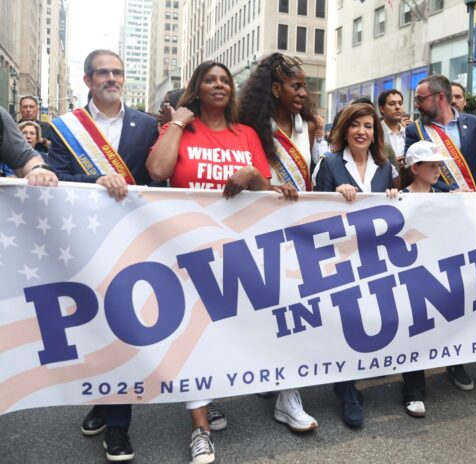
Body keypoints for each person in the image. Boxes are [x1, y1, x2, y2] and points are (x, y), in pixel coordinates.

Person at [147, 60, 274, 464]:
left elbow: (267, 191)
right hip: (186, 247)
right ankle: (199, 428)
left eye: (225, 81)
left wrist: (251, 173)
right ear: (197, 88)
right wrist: (178, 123)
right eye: (210, 80)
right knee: (192, 333)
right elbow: (158, 171)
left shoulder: (246, 134)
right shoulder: (181, 128)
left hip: (236, 248)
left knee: (222, 331)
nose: (219, 85)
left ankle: (206, 394)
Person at [48, 49, 160, 462]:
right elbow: (57, 177)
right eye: (103, 73)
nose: (112, 78)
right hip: (85, 241)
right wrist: (95, 179)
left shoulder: (145, 124)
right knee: (95, 326)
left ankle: (117, 426)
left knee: (123, 325)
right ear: (88, 80)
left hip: (132, 240)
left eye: (117, 72)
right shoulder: (66, 127)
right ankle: (103, 397)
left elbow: (156, 179)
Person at [235, 52, 319, 433]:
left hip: (301, 229)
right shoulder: (253, 127)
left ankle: (289, 396)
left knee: (296, 310)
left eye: (304, 86)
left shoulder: (308, 126)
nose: (302, 92)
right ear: (274, 89)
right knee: (270, 308)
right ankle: (271, 371)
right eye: (295, 86)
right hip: (262, 227)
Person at [405, 73, 476, 392]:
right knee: (427, 289)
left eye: (421, 99)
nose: (417, 104)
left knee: (461, 289)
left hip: (469, 220)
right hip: (434, 219)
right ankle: (416, 362)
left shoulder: (475, 126)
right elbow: (416, 172)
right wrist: (451, 194)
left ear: (440, 98)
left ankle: (455, 359)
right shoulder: (416, 130)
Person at [314, 102, 398, 428]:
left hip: (375, 258)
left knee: (370, 318)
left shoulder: (385, 166)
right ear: (344, 129)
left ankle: (349, 380)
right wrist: (334, 195)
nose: (361, 132)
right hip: (340, 257)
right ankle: (347, 391)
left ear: (375, 133)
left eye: (368, 126)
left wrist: (393, 195)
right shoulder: (330, 163)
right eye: (355, 125)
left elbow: (399, 208)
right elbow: (314, 214)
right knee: (347, 321)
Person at [397, 140, 451, 417]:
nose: (437, 170)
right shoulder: (398, 197)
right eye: (432, 165)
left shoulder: (446, 194)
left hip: (442, 269)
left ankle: (456, 367)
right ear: (415, 168)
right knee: (415, 327)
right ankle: (413, 391)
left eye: (439, 165)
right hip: (412, 274)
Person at [0, 106, 57, 185]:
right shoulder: (5, 160)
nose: (28, 136)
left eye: (32, 133)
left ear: (38, 138)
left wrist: (38, 170)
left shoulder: (46, 158)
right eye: (24, 133)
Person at [377, 89, 406, 166]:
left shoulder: (409, 132)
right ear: (382, 109)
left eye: (400, 103)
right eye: (392, 104)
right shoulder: (375, 133)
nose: (397, 107)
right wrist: (391, 163)